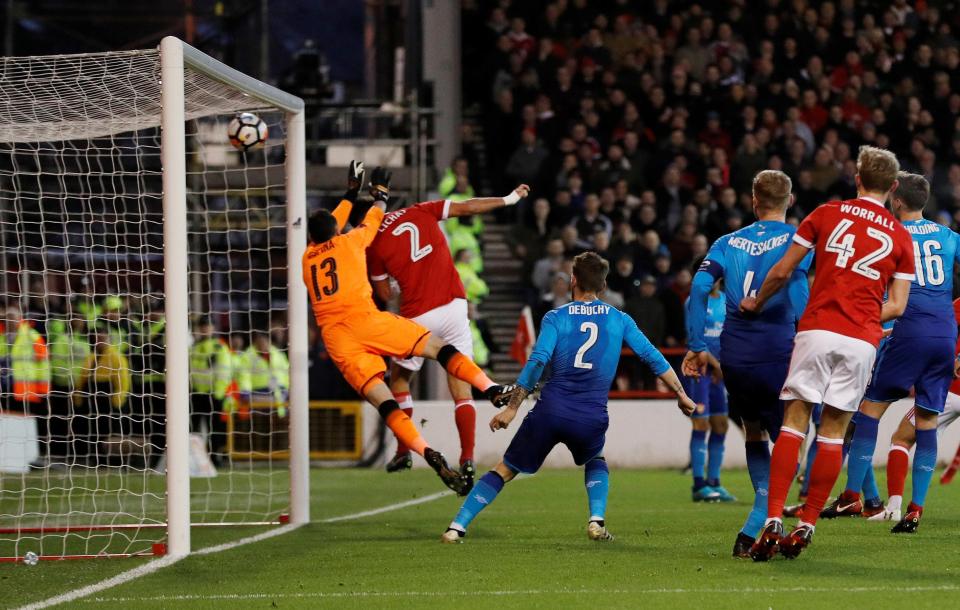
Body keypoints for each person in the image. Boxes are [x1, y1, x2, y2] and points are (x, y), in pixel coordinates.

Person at [440, 252, 696, 543]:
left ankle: (456, 526)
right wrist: (681, 393)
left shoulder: (556, 317)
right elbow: (652, 356)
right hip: (590, 416)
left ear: (573, 279)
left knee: (506, 468)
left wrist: (512, 409)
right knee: (595, 458)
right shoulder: (620, 319)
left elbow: (538, 360)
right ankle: (596, 520)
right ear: (603, 285)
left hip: (550, 411)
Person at [742, 146, 914, 561]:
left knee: (794, 423)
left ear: (857, 178)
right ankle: (807, 524)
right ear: (893, 188)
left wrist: (755, 301)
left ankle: (772, 520)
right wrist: (865, 315)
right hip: (861, 340)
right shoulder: (900, 235)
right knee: (834, 431)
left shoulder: (825, 214)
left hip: (818, 329)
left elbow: (783, 271)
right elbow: (898, 305)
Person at [304, 162, 510, 495]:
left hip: (338, 339)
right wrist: (376, 193)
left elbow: (330, 228)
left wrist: (349, 194)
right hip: (368, 320)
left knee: (386, 400)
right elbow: (375, 214)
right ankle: (490, 389)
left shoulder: (307, 258)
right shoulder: (354, 241)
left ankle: (422, 451)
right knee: (438, 349)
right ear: (337, 230)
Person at [819, 173, 959, 533]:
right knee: (926, 420)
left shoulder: (891, 234)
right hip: (944, 333)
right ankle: (915, 510)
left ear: (897, 201)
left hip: (907, 330)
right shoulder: (949, 236)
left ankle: (852, 495)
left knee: (869, 410)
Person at [683, 170, 811, 558]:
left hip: (735, 355)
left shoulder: (726, 242)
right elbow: (800, 288)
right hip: (779, 350)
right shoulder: (798, 238)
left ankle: (762, 518)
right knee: (791, 438)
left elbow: (699, 289)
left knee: (753, 432)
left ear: (754, 202)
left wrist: (694, 344)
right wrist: (808, 337)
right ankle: (760, 519)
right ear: (789, 201)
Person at [367, 181, 529, 484]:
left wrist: (399, 279)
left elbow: (385, 294)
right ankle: (467, 457)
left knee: (400, 378)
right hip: (454, 305)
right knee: (460, 385)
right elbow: (468, 206)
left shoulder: (374, 243)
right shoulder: (421, 211)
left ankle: (404, 449)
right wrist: (508, 199)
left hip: (418, 315)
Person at [682, 272, 731, 503]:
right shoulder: (695, 301)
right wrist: (716, 364)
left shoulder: (727, 299)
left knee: (720, 425)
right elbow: (696, 338)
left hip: (720, 373)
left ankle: (714, 482)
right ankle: (698, 485)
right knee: (700, 423)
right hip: (700, 371)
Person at [188, 316, 232, 466]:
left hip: (213, 394)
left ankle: (215, 458)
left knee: (215, 429)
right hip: (196, 394)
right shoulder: (193, 347)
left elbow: (224, 372)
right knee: (193, 428)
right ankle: (196, 458)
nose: (204, 329)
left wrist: (218, 394)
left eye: (207, 326)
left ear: (213, 328)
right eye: (202, 326)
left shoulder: (219, 347)